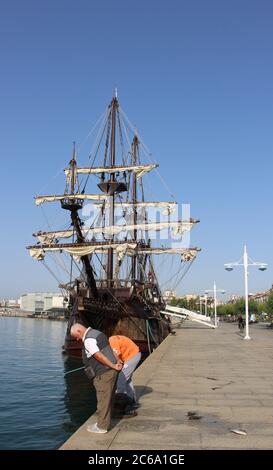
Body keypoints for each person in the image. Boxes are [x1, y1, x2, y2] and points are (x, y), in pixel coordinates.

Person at [70, 323, 123, 434]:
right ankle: (104, 421)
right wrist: (117, 361)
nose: (77, 339)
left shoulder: (89, 340)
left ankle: (102, 427)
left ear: (79, 331)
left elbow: (98, 355)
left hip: (103, 373)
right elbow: (110, 349)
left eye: (76, 336)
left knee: (103, 400)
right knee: (109, 398)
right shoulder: (98, 333)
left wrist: (112, 365)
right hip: (111, 371)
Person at [109, 335, 141, 408]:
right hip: (134, 354)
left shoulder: (112, 342)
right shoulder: (111, 339)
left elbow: (117, 358)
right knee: (128, 379)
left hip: (133, 356)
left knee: (121, 377)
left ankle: (121, 400)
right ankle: (131, 400)